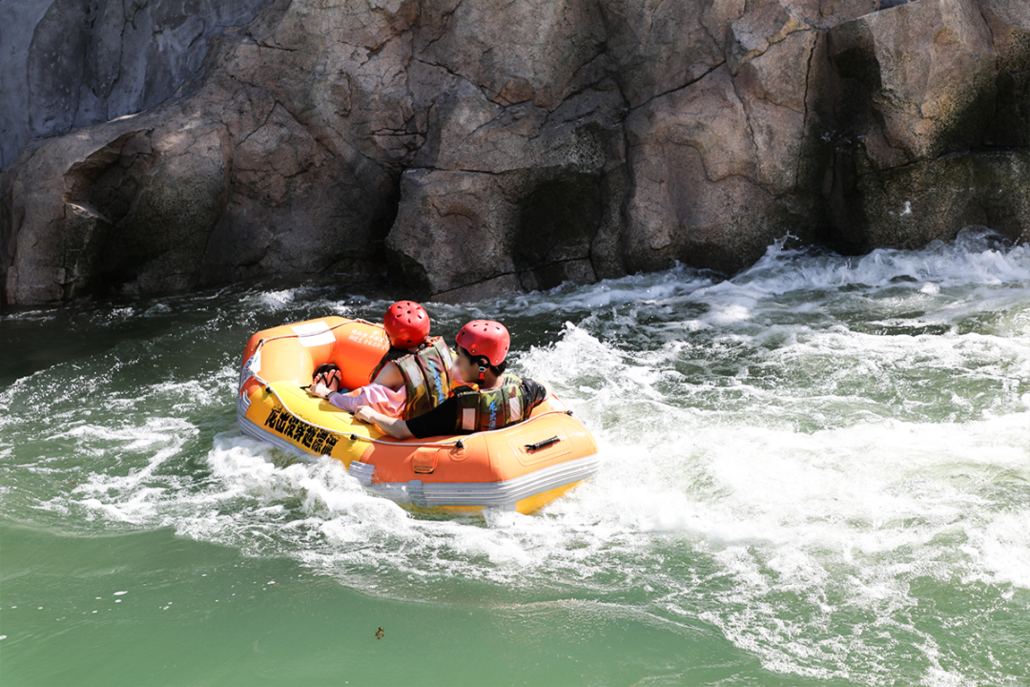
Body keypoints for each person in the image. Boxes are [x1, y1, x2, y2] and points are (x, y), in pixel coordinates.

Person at [354, 320, 550, 439]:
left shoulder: (458, 407)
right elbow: (547, 390)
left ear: (482, 363)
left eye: (461, 358)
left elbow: (401, 430)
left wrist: (371, 414)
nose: (456, 365)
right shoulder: (527, 391)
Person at [308, 301, 460, 419]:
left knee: (349, 397)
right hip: (435, 412)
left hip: (407, 425)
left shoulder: (395, 369)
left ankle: (331, 388)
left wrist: (327, 394)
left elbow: (361, 403)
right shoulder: (441, 349)